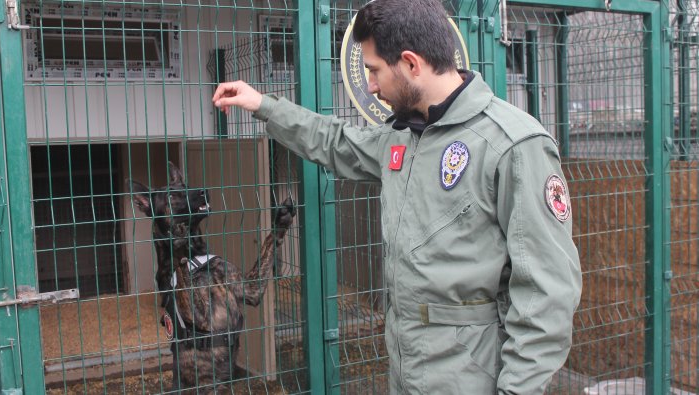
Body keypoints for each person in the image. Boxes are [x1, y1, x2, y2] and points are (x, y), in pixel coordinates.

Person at [212, 0, 582, 393]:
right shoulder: (404, 134)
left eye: (374, 70)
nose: (370, 85)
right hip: (407, 371)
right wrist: (263, 106)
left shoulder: (512, 144)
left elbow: (547, 293)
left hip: (471, 378)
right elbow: (337, 142)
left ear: (410, 63)